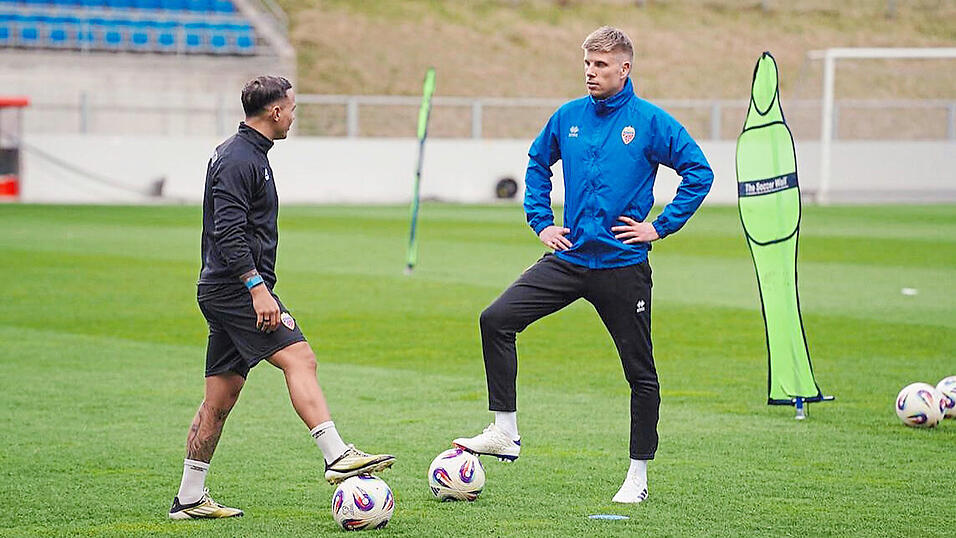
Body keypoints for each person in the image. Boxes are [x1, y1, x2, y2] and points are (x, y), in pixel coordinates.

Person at [452, 27, 713, 504]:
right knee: (496, 319)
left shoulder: (650, 122)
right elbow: (537, 163)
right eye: (587, 64)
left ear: (624, 68)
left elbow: (699, 172)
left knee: (640, 374)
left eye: (601, 65)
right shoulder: (567, 116)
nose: (591, 73)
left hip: (622, 265)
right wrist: (541, 222)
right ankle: (505, 430)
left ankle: (637, 477)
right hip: (569, 258)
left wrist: (659, 227)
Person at [168, 76, 395, 520]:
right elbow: (228, 231)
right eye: (291, 109)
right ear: (275, 112)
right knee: (300, 357)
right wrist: (257, 289)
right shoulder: (239, 159)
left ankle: (189, 498)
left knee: (220, 399)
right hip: (235, 289)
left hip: (225, 287)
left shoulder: (247, 154)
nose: (293, 116)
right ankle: (336, 454)